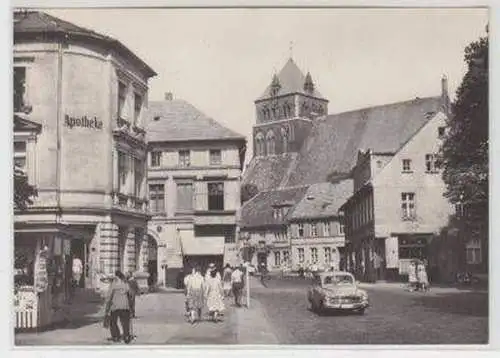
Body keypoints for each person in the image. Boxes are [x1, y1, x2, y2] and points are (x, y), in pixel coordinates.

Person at [104, 270, 133, 343]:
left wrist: (107, 307)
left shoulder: (114, 284)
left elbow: (109, 296)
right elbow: (131, 294)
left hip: (115, 306)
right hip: (125, 306)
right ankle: (126, 336)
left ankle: (116, 336)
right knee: (125, 322)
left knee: (113, 322)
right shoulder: (125, 284)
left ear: (116, 276)